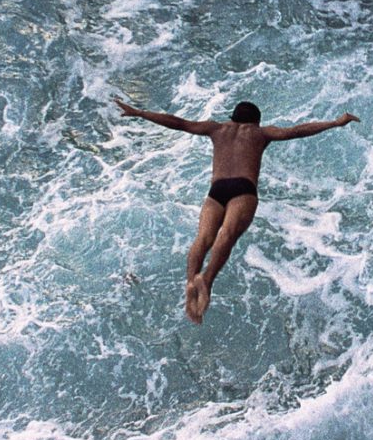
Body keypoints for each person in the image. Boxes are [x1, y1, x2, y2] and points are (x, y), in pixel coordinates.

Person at [112, 96, 358, 322]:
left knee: (203, 237)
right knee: (227, 235)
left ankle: (190, 281)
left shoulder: (216, 129)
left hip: (216, 190)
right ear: (255, 121)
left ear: (232, 117)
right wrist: (336, 122)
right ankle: (205, 281)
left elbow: (178, 123)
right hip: (243, 189)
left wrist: (140, 113)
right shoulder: (260, 133)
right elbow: (296, 131)